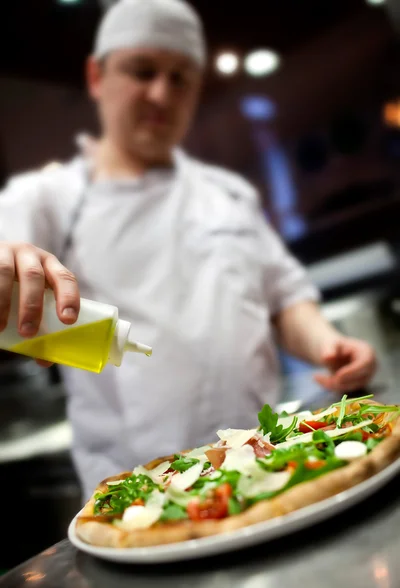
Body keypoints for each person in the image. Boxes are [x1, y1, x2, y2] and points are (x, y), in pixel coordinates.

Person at [0, 0, 376, 498]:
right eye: (143, 71)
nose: (162, 92)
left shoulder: (228, 193)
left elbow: (284, 298)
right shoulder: (47, 199)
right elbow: (6, 249)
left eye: (181, 79)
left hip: (267, 463)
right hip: (142, 493)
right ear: (96, 76)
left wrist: (327, 342)